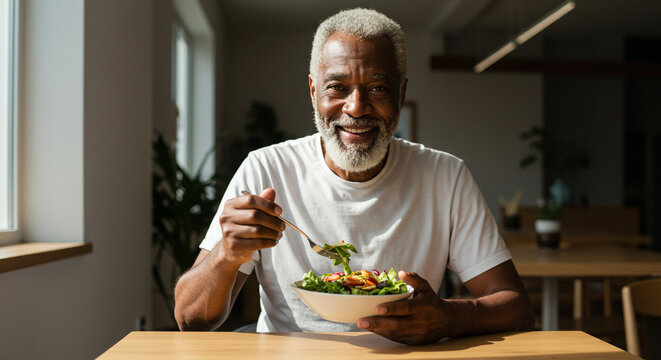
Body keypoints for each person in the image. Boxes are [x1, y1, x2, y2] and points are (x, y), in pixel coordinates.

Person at [174, 8, 534, 345]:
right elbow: (190, 320)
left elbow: (517, 307)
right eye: (338, 87)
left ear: (401, 93)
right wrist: (226, 254)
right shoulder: (266, 168)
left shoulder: (445, 176)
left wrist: (450, 317)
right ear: (314, 92)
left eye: (377, 87)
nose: (357, 107)